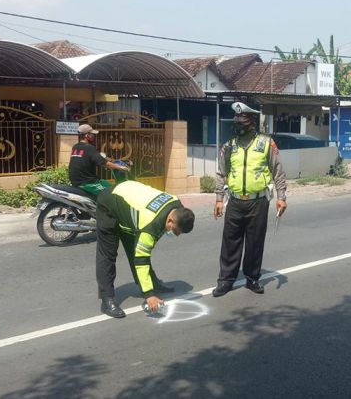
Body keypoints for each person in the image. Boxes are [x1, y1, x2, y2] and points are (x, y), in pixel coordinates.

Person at [212, 102, 288, 297]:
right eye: (236, 122)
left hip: (258, 201)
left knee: (255, 242)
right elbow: (222, 173)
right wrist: (219, 199)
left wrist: (281, 197)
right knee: (230, 242)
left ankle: (252, 278)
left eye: (242, 123)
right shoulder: (229, 146)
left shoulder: (266, 143)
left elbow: (277, 170)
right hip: (235, 201)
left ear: (251, 123)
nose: (238, 126)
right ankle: (226, 280)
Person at [96, 179, 195, 318]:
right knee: (108, 254)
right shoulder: (150, 226)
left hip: (128, 197)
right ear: (171, 220)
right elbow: (141, 259)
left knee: (136, 249)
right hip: (110, 203)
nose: (176, 235)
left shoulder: (177, 206)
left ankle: (152, 282)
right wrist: (149, 295)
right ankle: (107, 300)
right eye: (176, 231)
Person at [68, 124, 129, 196]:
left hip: (76, 181)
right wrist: (121, 167)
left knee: (104, 182)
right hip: (88, 182)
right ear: (87, 136)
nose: (94, 136)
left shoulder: (75, 147)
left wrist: (108, 160)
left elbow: (89, 158)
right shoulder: (89, 148)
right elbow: (105, 163)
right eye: (92, 134)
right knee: (112, 192)